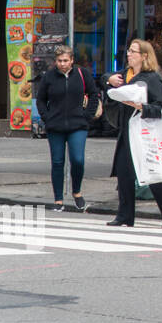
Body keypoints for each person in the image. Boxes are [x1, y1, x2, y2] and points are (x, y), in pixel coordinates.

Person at [106, 40, 162, 228]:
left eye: (133, 52)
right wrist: (109, 80)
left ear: (144, 56)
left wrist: (142, 107)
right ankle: (124, 215)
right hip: (127, 129)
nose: (129, 55)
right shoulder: (125, 75)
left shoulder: (152, 78)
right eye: (129, 51)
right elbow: (105, 81)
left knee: (152, 171)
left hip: (145, 132)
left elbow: (160, 107)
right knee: (124, 173)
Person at [35, 45, 98, 211]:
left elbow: (93, 95)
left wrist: (87, 116)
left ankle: (77, 192)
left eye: (65, 61)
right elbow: (40, 99)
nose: (62, 64)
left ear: (72, 61)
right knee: (57, 162)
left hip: (78, 125)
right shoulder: (49, 77)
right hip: (55, 125)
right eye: (59, 61)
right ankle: (58, 199)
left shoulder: (82, 74)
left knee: (77, 160)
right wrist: (47, 117)